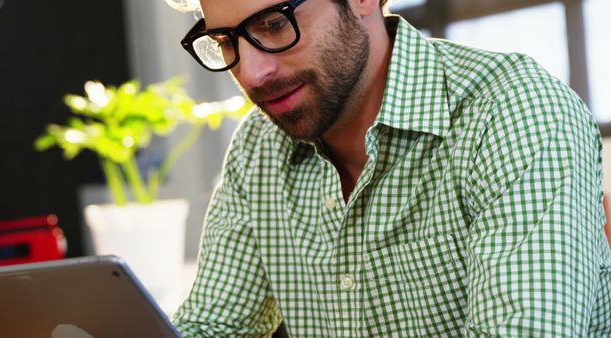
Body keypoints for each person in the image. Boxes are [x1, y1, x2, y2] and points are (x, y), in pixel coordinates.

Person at [170, 0, 611, 335]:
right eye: (226, 42)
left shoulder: (513, 112)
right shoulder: (260, 146)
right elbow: (211, 324)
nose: (252, 73)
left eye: (274, 24)